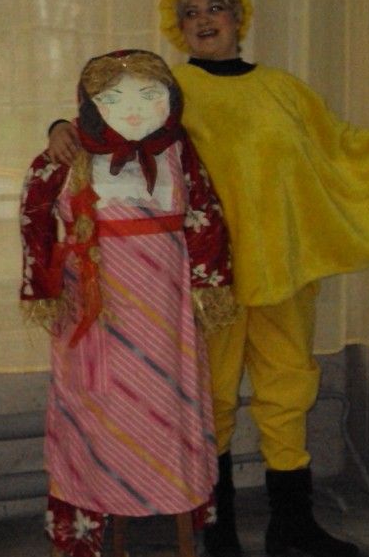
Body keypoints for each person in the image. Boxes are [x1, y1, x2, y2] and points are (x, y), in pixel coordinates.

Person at [48, 0, 369, 557]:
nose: (203, 20)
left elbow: (343, 146)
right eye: (190, 13)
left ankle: (292, 527)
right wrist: (60, 126)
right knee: (214, 398)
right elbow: (108, 132)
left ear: (238, 18)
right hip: (208, 279)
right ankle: (218, 531)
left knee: (289, 390)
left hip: (283, 270)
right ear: (177, 28)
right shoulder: (169, 93)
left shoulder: (285, 90)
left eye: (215, 8)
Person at [21, 50, 233, 557]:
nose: (134, 109)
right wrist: (45, 287)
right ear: (90, 104)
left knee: (168, 409)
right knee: (95, 413)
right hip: (94, 311)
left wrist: (209, 285)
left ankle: (170, 509)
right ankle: (92, 515)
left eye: (148, 95)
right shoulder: (71, 151)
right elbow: (34, 213)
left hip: (166, 314)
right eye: (114, 98)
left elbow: (205, 217)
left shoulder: (179, 151)